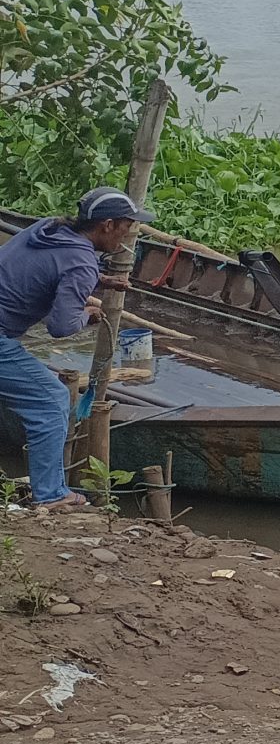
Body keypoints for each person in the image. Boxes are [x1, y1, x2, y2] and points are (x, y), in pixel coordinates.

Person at [0, 188, 151, 511]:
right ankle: (52, 494)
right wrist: (87, 314)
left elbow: (49, 268)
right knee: (51, 399)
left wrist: (99, 279)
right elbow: (61, 327)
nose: (129, 234)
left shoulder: (46, 230)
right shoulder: (81, 262)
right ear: (107, 225)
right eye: (127, 225)